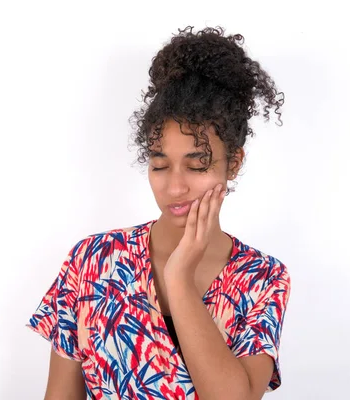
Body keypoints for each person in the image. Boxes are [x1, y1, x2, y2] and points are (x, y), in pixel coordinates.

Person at [27, 26, 291, 400]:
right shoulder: (93, 261)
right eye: (160, 165)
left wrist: (180, 278)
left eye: (197, 165)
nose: (175, 187)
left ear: (232, 163)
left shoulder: (262, 278)